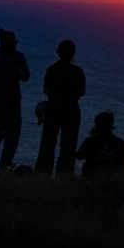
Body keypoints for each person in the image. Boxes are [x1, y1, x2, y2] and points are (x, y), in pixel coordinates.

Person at [0, 28, 30, 171]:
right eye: (11, 43)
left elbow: (26, 76)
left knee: (12, 138)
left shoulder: (19, 57)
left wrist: (15, 69)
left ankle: (4, 166)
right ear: (3, 43)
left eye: (15, 42)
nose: (14, 45)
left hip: (14, 105)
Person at [35, 39, 86, 175]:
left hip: (53, 109)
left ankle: (42, 174)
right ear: (73, 53)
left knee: (47, 144)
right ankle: (64, 175)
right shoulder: (78, 71)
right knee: (68, 146)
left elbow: (46, 90)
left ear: (58, 52)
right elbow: (82, 92)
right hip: (71, 110)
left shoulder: (51, 69)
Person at [76, 111, 124, 177]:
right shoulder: (119, 142)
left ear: (97, 125)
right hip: (112, 178)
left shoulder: (90, 141)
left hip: (91, 177)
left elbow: (78, 156)